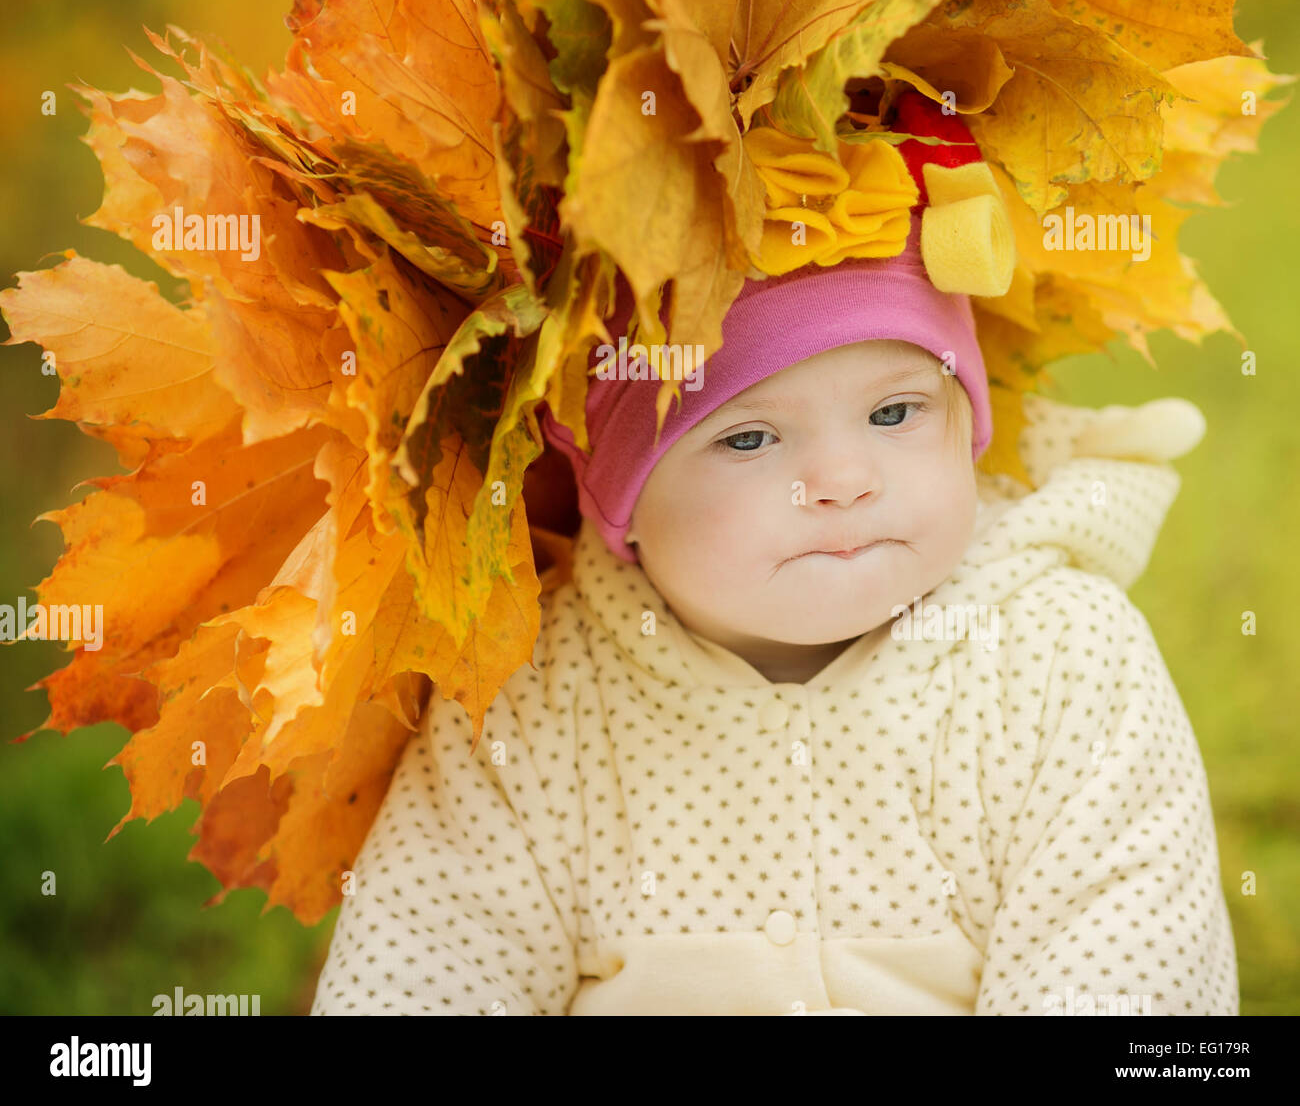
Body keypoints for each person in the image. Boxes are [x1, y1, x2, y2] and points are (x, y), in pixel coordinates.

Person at [309, 95, 1238, 1016]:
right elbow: (427, 959)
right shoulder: (540, 696)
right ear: (621, 500)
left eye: (893, 413)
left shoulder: (1061, 657)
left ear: (966, 429)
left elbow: (1125, 960)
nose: (840, 478)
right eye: (748, 440)